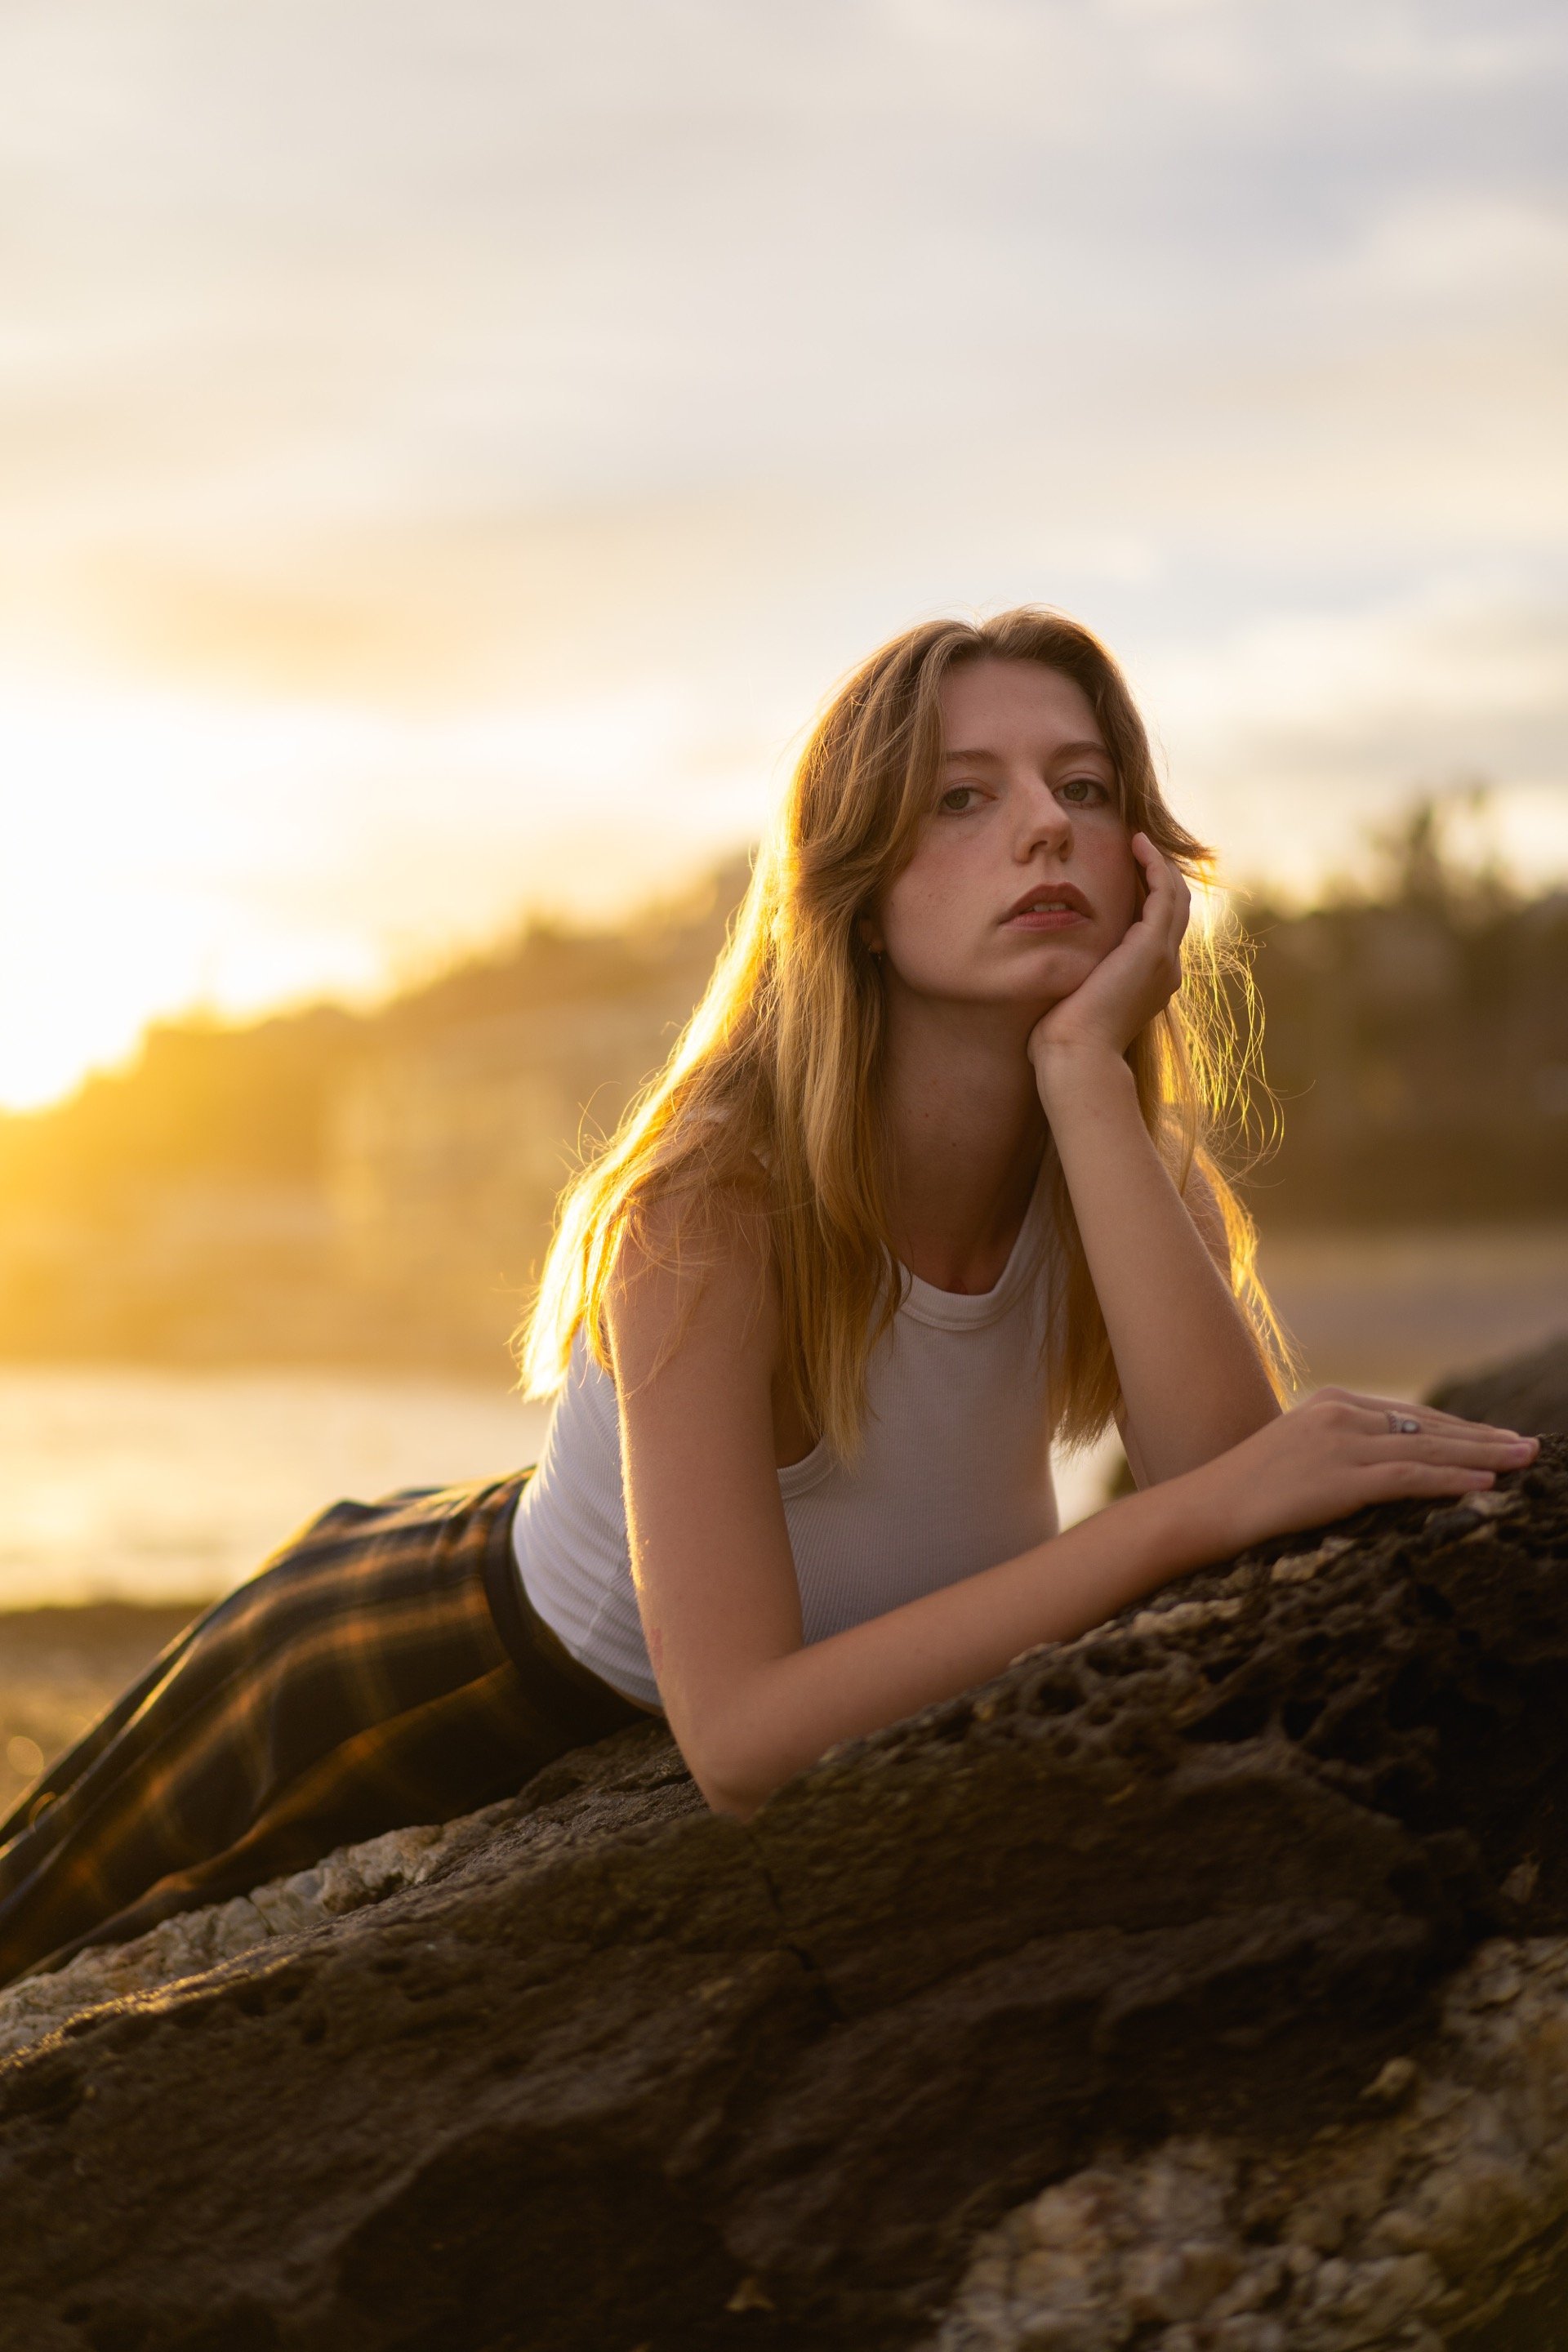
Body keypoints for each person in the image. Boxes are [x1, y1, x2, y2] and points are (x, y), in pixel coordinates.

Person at [0, 608, 1535, 1988]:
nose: (1044, 833)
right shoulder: (715, 1204)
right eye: (963, 797)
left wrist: (1082, 1072)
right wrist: (1155, 1530)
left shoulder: (1127, 1172)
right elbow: (737, 1742)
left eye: (1085, 788)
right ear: (857, 893)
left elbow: (1225, 1489)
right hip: (402, 1672)